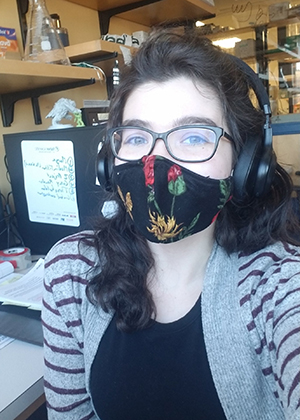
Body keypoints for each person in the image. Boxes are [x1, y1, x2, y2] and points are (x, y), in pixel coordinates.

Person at [42, 28, 300, 420]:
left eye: (194, 137)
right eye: (136, 136)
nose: (155, 162)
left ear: (246, 165)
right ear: (109, 164)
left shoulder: (278, 288)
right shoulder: (72, 272)